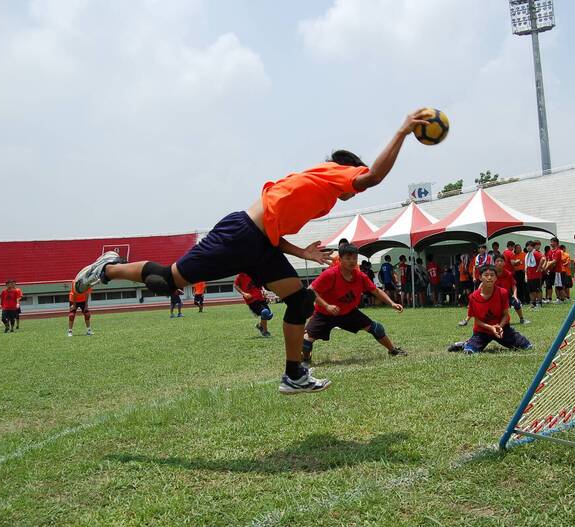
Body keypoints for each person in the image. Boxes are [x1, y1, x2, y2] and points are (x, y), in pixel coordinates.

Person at [73, 109, 432, 394]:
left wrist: (303, 254)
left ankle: (294, 375)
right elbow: (372, 178)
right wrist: (401, 133)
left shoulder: (318, 186)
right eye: (355, 178)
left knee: (300, 301)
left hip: (259, 244)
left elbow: (273, 230)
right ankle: (108, 269)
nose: (355, 189)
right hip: (240, 236)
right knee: (166, 281)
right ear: (347, 168)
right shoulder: (333, 174)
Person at [303, 244, 406, 367]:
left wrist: (392, 303)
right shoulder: (330, 274)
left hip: (348, 312)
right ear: (340, 259)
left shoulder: (360, 276)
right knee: (305, 342)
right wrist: (327, 306)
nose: (352, 261)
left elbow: (376, 291)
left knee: (376, 328)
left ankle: (393, 350)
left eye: (354, 258)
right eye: (348, 258)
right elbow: (310, 290)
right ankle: (305, 359)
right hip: (324, 314)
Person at [447, 265, 532, 354]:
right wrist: (491, 328)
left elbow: (506, 315)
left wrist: (500, 327)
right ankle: (465, 344)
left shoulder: (502, 293)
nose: (489, 278)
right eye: (486, 275)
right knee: (469, 351)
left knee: (527, 346)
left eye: (492, 275)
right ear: (480, 277)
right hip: (482, 331)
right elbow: (477, 321)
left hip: (501, 329)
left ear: (496, 278)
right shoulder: (473, 297)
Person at [234, 272, 273, 337]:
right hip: (251, 300)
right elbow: (235, 285)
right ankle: (265, 332)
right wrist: (244, 293)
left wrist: (264, 292)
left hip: (261, 298)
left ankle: (260, 326)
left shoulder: (255, 273)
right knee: (265, 312)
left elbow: (260, 285)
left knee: (268, 315)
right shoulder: (241, 275)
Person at [524, 241, 546, 309]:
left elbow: (543, 259)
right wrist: (525, 275)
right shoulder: (527, 254)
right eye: (527, 246)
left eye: (530, 246)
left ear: (533, 247)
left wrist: (539, 268)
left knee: (537, 290)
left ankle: (539, 303)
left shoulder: (535, 252)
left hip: (536, 276)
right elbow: (526, 266)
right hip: (529, 275)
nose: (528, 247)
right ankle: (532, 303)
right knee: (531, 290)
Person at [546, 237, 566, 303]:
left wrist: (545, 267)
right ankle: (550, 299)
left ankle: (562, 299)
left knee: (559, 286)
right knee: (549, 285)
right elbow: (549, 261)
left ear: (557, 243)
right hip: (551, 271)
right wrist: (548, 268)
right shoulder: (549, 252)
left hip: (557, 271)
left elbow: (554, 261)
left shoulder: (558, 251)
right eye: (551, 242)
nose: (551, 243)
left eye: (553, 242)